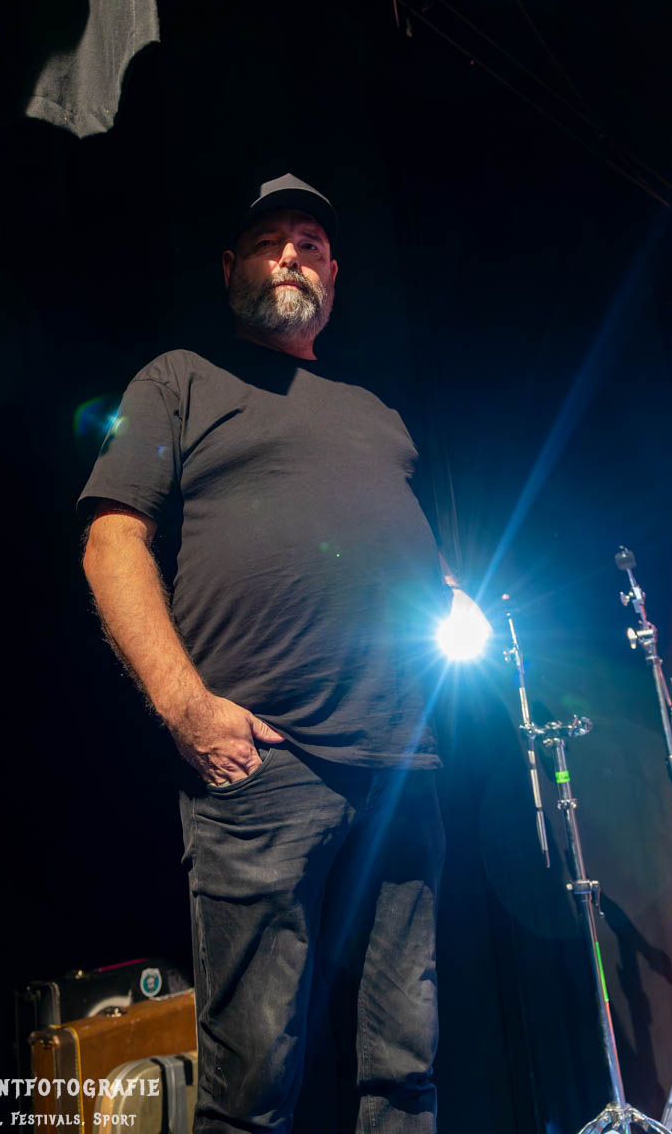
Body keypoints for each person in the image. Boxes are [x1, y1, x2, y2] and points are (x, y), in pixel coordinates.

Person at [79, 173, 452, 1133]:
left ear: (335, 275)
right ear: (231, 267)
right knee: (251, 1087)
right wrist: (187, 709)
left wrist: (442, 594)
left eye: (311, 244)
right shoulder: (179, 380)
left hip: (402, 764)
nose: (292, 255)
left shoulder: (377, 411)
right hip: (263, 759)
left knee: (406, 1071)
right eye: (269, 241)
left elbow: (399, 549)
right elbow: (112, 540)